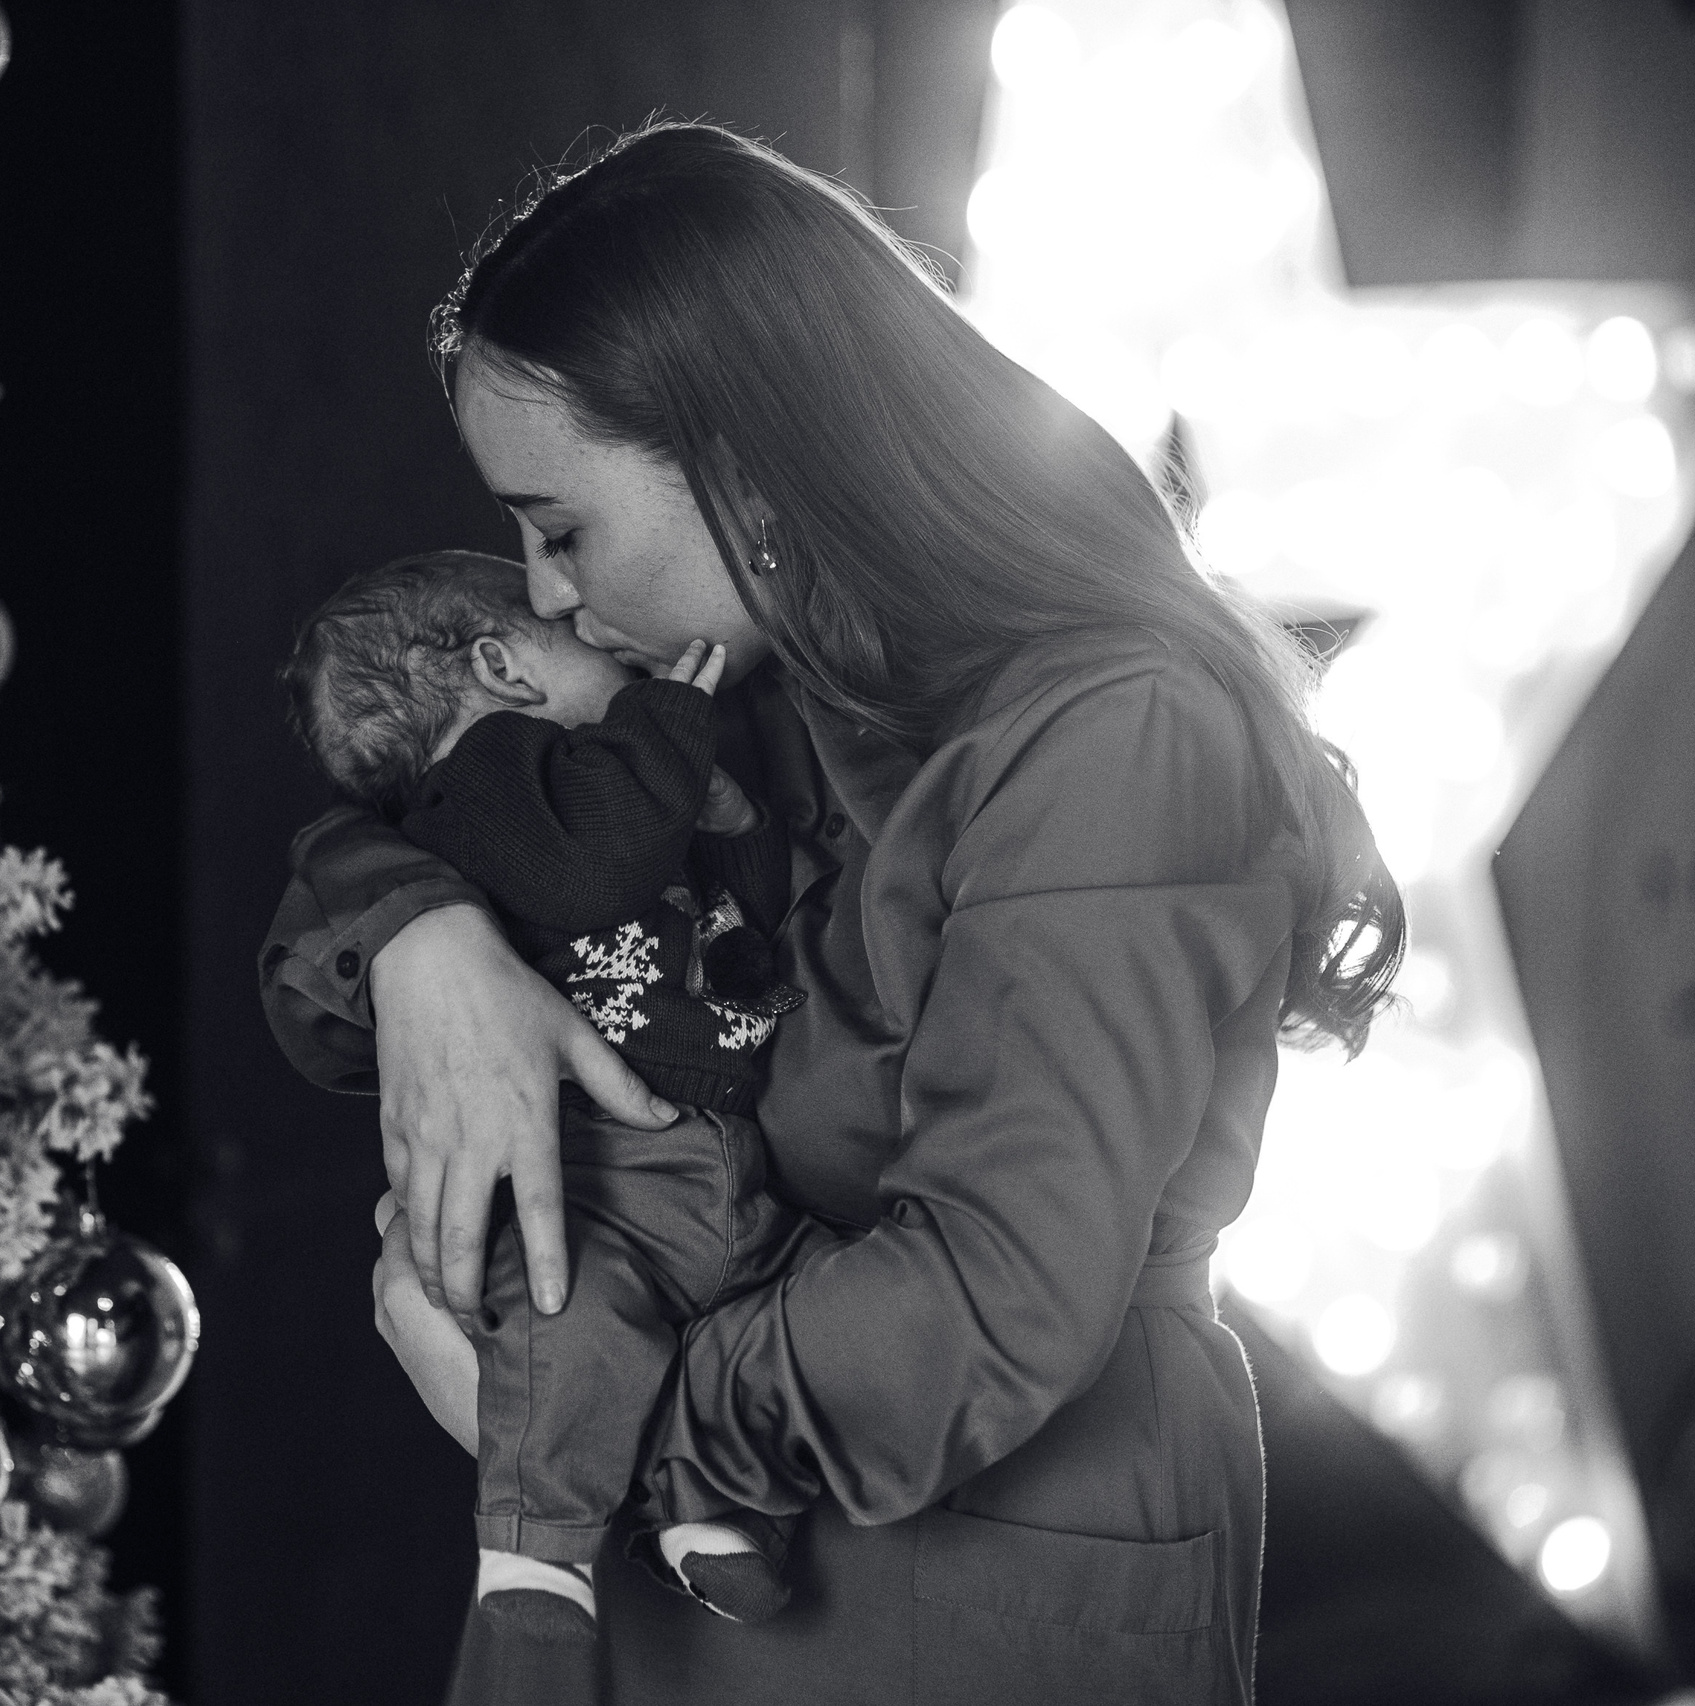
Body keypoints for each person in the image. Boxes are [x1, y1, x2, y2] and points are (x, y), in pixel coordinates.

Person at [259, 123, 1402, 1704]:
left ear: (745, 450)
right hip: (703, 1579)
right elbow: (412, 855)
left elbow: (996, 1299)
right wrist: (417, 943)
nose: (535, 597)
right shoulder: (747, 699)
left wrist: (584, 1418)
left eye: (563, 526)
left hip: (990, 1585)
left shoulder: (1114, 733)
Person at [277, 547, 818, 1690]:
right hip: (611, 1176)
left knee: (755, 1310)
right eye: (565, 632)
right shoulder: (487, 779)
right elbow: (591, 877)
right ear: (501, 666)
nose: (596, 625)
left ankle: (695, 1509)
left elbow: (722, 897)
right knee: (572, 1325)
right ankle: (531, 1580)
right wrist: (668, 712)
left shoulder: (572, 780)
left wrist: (724, 806)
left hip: (715, 1163)